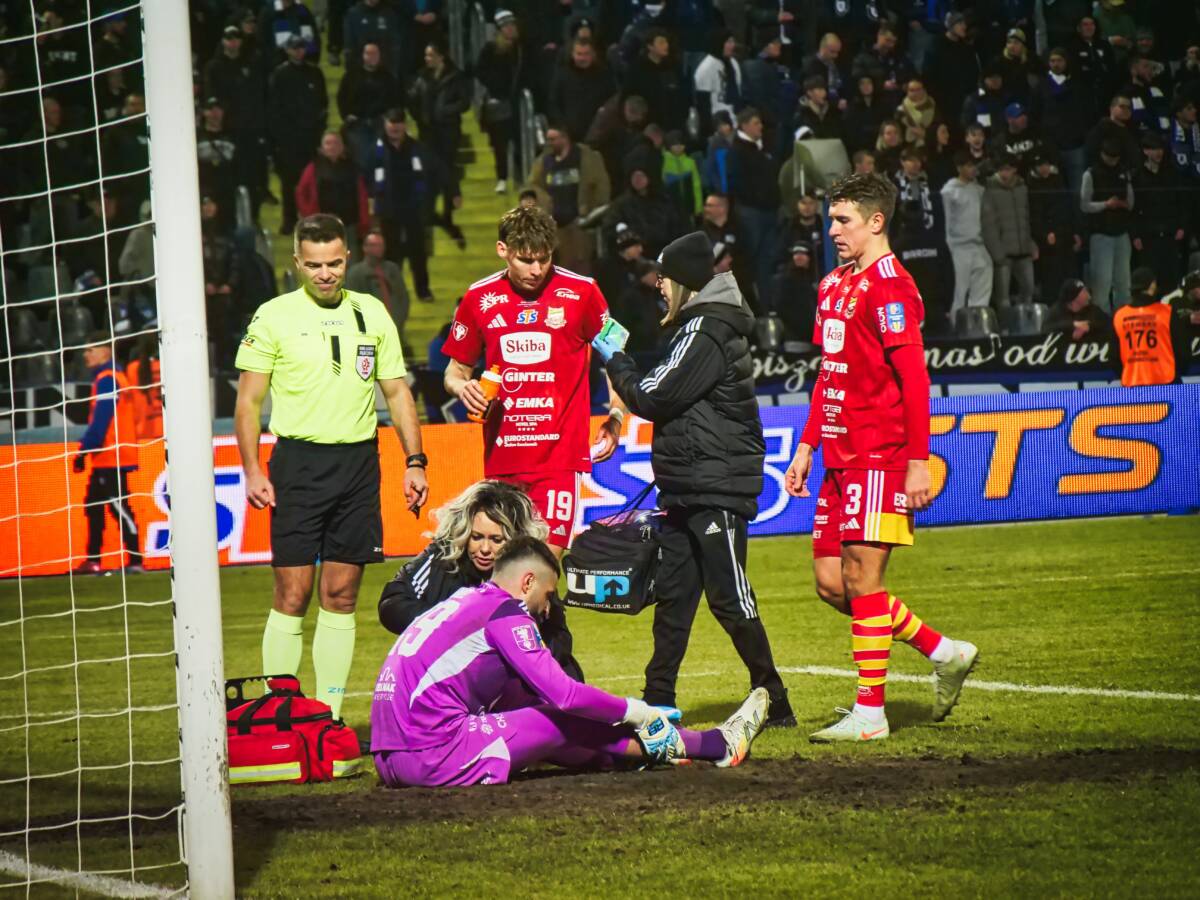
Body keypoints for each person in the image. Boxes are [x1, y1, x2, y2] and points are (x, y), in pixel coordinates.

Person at [784, 173, 978, 742]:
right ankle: (943, 651)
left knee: (862, 578)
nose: (832, 230)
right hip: (838, 456)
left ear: (876, 221)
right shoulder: (832, 285)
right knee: (832, 583)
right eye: (831, 219)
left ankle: (870, 714)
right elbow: (830, 374)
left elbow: (914, 379)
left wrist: (918, 460)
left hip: (880, 454)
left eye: (843, 220)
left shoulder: (892, 288)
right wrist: (807, 445)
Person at [592, 230, 795, 728]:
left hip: (714, 484)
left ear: (683, 281)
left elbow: (653, 395)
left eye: (664, 277)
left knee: (730, 596)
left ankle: (776, 701)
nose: (658, 285)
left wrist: (615, 359)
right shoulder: (699, 327)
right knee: (675, 596)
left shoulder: (705, 330)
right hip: (690, 482)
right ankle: (659, 699)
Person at [370, 536, 770, 787]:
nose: (547, 608)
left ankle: (643, 755)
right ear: (527, 582)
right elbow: (565, 695)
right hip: (431, 754)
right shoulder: (506, 612)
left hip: (390, 759)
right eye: (547, 595)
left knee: (533, 710)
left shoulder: (464, 601)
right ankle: (716, 744)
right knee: (555, 718)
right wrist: (639, 712)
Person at [234, 214, 428, 719]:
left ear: (347, 260)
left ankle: (328, 718)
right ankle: (282, 714)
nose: (325, 274)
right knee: (292, 593)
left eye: (334, 263)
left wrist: (415, 461)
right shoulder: (273, 316)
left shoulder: (372, 312)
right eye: (315, 265)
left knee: (341, 595)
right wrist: (253, 470)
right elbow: (249, 402)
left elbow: (397, 392)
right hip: (298, 465)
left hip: (358, 464)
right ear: (298, 263)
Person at [441, 205, 624, 555]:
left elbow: (618, 360)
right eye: (526, 260)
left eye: (544, 258)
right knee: (503, 571)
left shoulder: (583, 292)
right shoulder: (479, 298)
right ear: (502, 250)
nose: (537, 270)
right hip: (502, 460)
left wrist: (615, 416)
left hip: (559, 460)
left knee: (540, 569)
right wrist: (463, 387)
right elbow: (455, 371)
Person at [378, 480, 583, 680]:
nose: (485, 549)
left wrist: (512, 645)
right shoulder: (444, 555)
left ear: (516, 539)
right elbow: (392, 603)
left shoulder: (530, 567)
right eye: (476, 537)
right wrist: (452, 626)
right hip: (445, 673)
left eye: (496, 540)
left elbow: (559, 640)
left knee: (568, 673)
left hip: (506, 674)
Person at [73, 332, 143, 575]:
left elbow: (102, 418)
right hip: (108, 455)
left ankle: (135, 561)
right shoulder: (114, 377)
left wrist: (86, 448)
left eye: (90, 349)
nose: (85, 355)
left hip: (112, 455)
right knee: (94, 507)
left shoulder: (108, 379)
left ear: (105, 351)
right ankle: (93, 560)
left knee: (118, 507)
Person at [371, 107, 448, 304]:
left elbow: (435, 169)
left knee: (418, 253)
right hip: (388, 210)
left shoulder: (417, 148)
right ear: (385, 125)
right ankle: (391, 291)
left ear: (404, 125)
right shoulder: (376, 149)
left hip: (414, 209)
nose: (395, 127)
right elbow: (367, 177)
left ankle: (423, 290)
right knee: (391, 254)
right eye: (391, 123)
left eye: (398, 123)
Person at [406, 39, 471, 247]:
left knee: (447, 169)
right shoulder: (422, 76)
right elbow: (413, 99)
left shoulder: (455, 76)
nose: (427, 59)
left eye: (430, 55)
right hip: (427, 132)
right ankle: (430, 216)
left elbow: (464, 101)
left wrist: (445, 111)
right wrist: (419, 117)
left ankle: (448, 212)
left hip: (448, 130)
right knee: (428, 172)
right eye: (426, 55)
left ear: (441, 57)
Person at [523, 124, 610, 275]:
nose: (549, 143)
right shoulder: (544, 161)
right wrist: (529, 198)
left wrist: (592, 212)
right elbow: (533, 185)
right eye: (548, 139)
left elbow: (601, 186)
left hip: (579, 225)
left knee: (581, 267)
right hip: (555, 226)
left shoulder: (585, 158)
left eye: (553, 139)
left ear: (565, 138)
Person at [267, 35, 328, 235]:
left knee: (313, 181)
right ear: (287, 50)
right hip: (288, 139)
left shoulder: (315, 73)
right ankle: (289, 219)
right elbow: (274, 108)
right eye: (295, 48)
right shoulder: (279, 75)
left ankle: (313, 218)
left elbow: (322, 104)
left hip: (310, 136)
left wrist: (318, 131)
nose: (299, 51)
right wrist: (280, 137)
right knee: (288, 182)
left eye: (301, 47)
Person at [295, 130, 370, 257]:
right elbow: (301, 192)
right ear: (321, 148)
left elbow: (362, 196)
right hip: (321, 225)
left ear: (343, 147)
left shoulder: (353, 168)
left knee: (350, 259)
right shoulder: (313, 168)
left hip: (349, 224)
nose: (332, 146)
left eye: (336, 143)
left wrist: (364, 221)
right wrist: (309, 215)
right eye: (328, 143)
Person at [476, 11, 528, 193]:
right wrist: (496, 85)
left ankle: (521, 178)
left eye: (512, 25)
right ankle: (502, 177)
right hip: (498, 101)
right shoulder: (490, 49)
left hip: (517, 101)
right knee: (499, 143)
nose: (510, 29)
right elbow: (480, 71)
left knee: (519, 141)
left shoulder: (522, 48)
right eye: (506, 26)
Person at [1081, 138, 1135, 313]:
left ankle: (1124, 318)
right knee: (1102, 283)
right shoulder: (1091, 174)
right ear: (1102, 154)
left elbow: (1131, 202)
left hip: (1122, 233)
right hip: (1101, 234)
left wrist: (1122, 204)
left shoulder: (1124, 172)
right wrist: (1106, 204)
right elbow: (1084, 205)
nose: (1113, 161)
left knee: (1123, 282)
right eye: (1110, 157)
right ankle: (1102, 322)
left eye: (1116, 157)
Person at [1113, 268, 1187, 387]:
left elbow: (1114, 356)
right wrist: (1180, 371)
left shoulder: (1119, 315)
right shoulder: (1167, 312)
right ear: (1152, 286)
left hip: (1133, 383)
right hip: (1166, 380)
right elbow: (1181, 348)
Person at [944, 153, 994, 325]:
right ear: (959, 168)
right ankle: (955, 326)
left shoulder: (979, 190)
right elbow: (946, 222)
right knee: (959, 291)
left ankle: (977, 325)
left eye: (974, 166)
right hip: (958, 247)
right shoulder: (949, 192)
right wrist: (949, 247)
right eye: (969, 166)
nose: (973, 169)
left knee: (983, 285)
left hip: (979, 245)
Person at [982, 154, 1037, 307]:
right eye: (1001, 170)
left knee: (1029, 290)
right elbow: (989, 226)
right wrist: (998, 254)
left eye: (1007, 169)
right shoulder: (990, 190)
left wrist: (1030, 243)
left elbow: (1026, 219)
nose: (1004, 173)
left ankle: (1024, 320)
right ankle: (1005, 322)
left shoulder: (1022, 188)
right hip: (1003, 254)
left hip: (1023, 251)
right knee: (1003, 298)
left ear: (1014, 170)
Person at [344, 228, 409, 338]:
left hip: (395, 327)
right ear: (365, 248)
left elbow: (403, 297)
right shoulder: (355, 273)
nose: (379, 248)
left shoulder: (392, 269)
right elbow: (352, 304)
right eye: (374, 245)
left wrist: (399, 320)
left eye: (381, 245)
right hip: (369, 331)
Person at [1047, 279, 1111, 343]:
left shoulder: (1093, 309)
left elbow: (1109, 323)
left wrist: (1089, 327)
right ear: (1074, 298)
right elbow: (1047, 328)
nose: (1088, 296)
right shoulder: (1057, 310)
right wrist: (1073, 325)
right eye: (1084, 292)